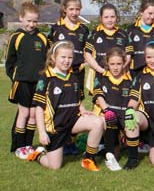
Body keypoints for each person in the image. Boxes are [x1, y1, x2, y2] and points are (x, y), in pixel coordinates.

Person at [27, 41, 104, 171]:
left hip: (73, 121)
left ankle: (88, 159)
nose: (67, 61)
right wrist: (41, 132)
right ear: (53, 57)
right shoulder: (46, 78)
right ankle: (39, 155)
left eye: (70, 57)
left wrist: (83, 110)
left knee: (98, 122)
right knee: (55, 166)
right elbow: (39, 108)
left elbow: (77, 100)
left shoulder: (74, 77)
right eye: (63, 57)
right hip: (55, 127)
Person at [47, 0, 90, 156]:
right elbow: (50, 52)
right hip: (59, 75)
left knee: (74, 107)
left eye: (77, 9)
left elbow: (86, 52)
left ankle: (70, 142)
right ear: (65, 9)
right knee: (60, 106)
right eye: (71, 9)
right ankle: (57, 139)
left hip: (77, 74)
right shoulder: (56, 28)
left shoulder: (83, 29)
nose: (74, 12)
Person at [6, 1, 47, 159]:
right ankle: (19, 146)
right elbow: (10, 61)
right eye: (28, 20)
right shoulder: (16, 37)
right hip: (22, 82)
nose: (31, 24)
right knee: (23, 113)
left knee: (33, 114)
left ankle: (29, 145)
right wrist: (16, 76)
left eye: (35, 21)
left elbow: (47, 59)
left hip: (38, 84)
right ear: (21, 18)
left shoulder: (42, 38)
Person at [92, 47, 133, 171]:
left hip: (122, 116)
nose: (115, 67)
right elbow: (98, 96)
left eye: (119, 64)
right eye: (112, 64)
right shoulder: (101, 78)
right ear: (107, 64)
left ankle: (122, 143)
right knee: (110, 118)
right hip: (108, 116)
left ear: (124, 63)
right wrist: (106, 110)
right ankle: (109, 156)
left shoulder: (129, 81)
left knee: (130, 126)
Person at [84, 3, 132, 94]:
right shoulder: (94, 34)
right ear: (101, 18)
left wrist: (119, 68)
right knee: (100, 104)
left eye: (112, 17)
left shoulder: (123, 34)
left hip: (119, 76)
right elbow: (87, 54)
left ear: (116, 17)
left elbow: (128, 55)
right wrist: (100, 70)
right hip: (99, 75)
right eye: (106, 17)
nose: (110, 20)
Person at [127, 0, 154, 78]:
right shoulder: (131, 29)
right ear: (141, 12)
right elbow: (126, 53)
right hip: (135, 71)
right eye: (150, 13)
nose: (152, 17)